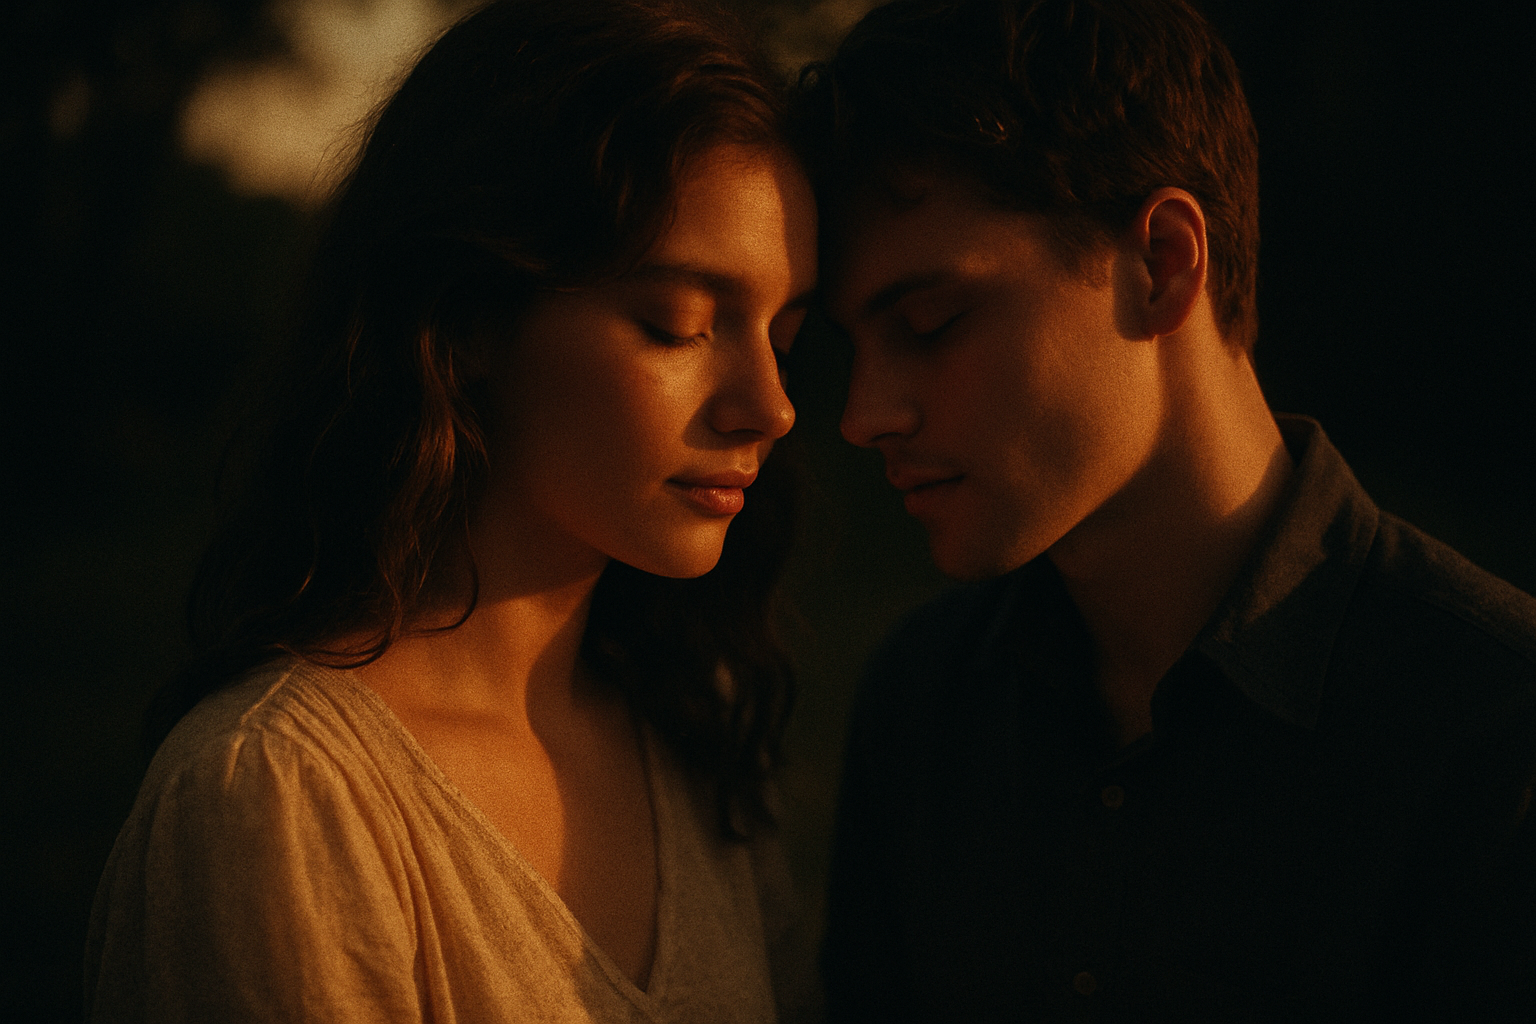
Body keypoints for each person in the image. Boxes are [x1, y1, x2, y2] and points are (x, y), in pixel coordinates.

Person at [795, 0, 1536, 1020]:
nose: (863, 414)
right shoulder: (924, 709)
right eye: (852, 346)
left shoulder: (1495, 738)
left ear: (1163, 265)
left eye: (931, 323)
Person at [85, 1, 820, 1020]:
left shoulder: (700, 743)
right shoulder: (286, 800)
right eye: (679, 323)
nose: (771, 406)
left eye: (783, 335)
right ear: (467, 317)